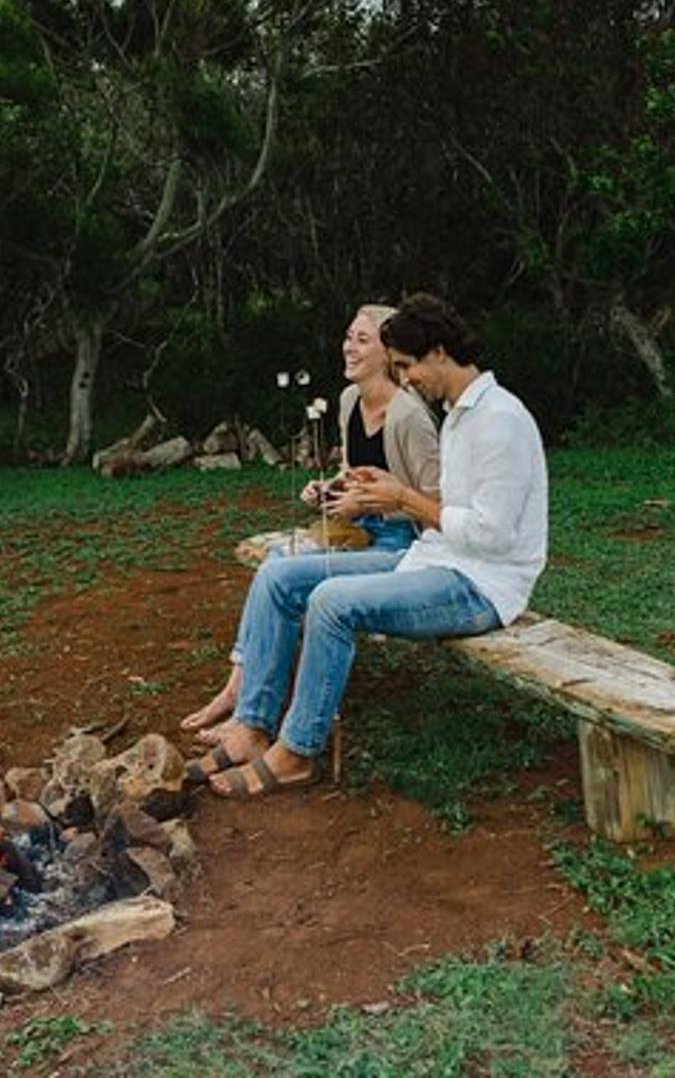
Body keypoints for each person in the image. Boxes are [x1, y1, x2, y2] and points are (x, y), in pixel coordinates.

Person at [191, 293, 548, 797]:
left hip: (483, 586)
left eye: (407, 366)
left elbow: (494, 536)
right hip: (437, 561)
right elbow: (447, 509)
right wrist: (382, 484)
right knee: (280, 577)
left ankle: (296, 752)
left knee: (332, 604)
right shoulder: (462, 414)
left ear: (439, 352)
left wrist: (401, 498)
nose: (406, 380)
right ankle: (252, 727)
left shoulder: (501, 420)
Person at [179, 303, 441, 739]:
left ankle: (249, 710)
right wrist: (331, 487)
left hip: (401, 544)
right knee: (277, 562)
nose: (348, 347)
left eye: (362, 340)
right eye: (347, 337)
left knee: (280, 573)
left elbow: (435, 507)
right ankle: (240, 693)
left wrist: (371, 506)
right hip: (356, 531)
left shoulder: (410, 417)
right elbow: (358, 472)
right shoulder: (349, 400)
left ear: (388, 353)